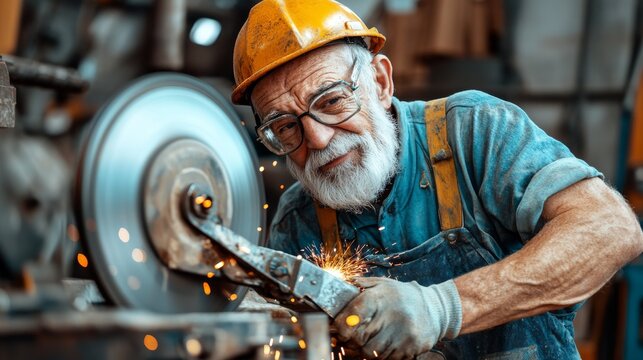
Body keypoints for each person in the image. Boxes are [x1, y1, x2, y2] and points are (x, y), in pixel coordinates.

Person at [231, 1, 643, 359]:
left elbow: (611, 229)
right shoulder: (297, 221)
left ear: (380, 82)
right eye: (285, 127)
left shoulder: (475, 132)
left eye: (333, 101)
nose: (317, 138)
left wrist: (441, 307)